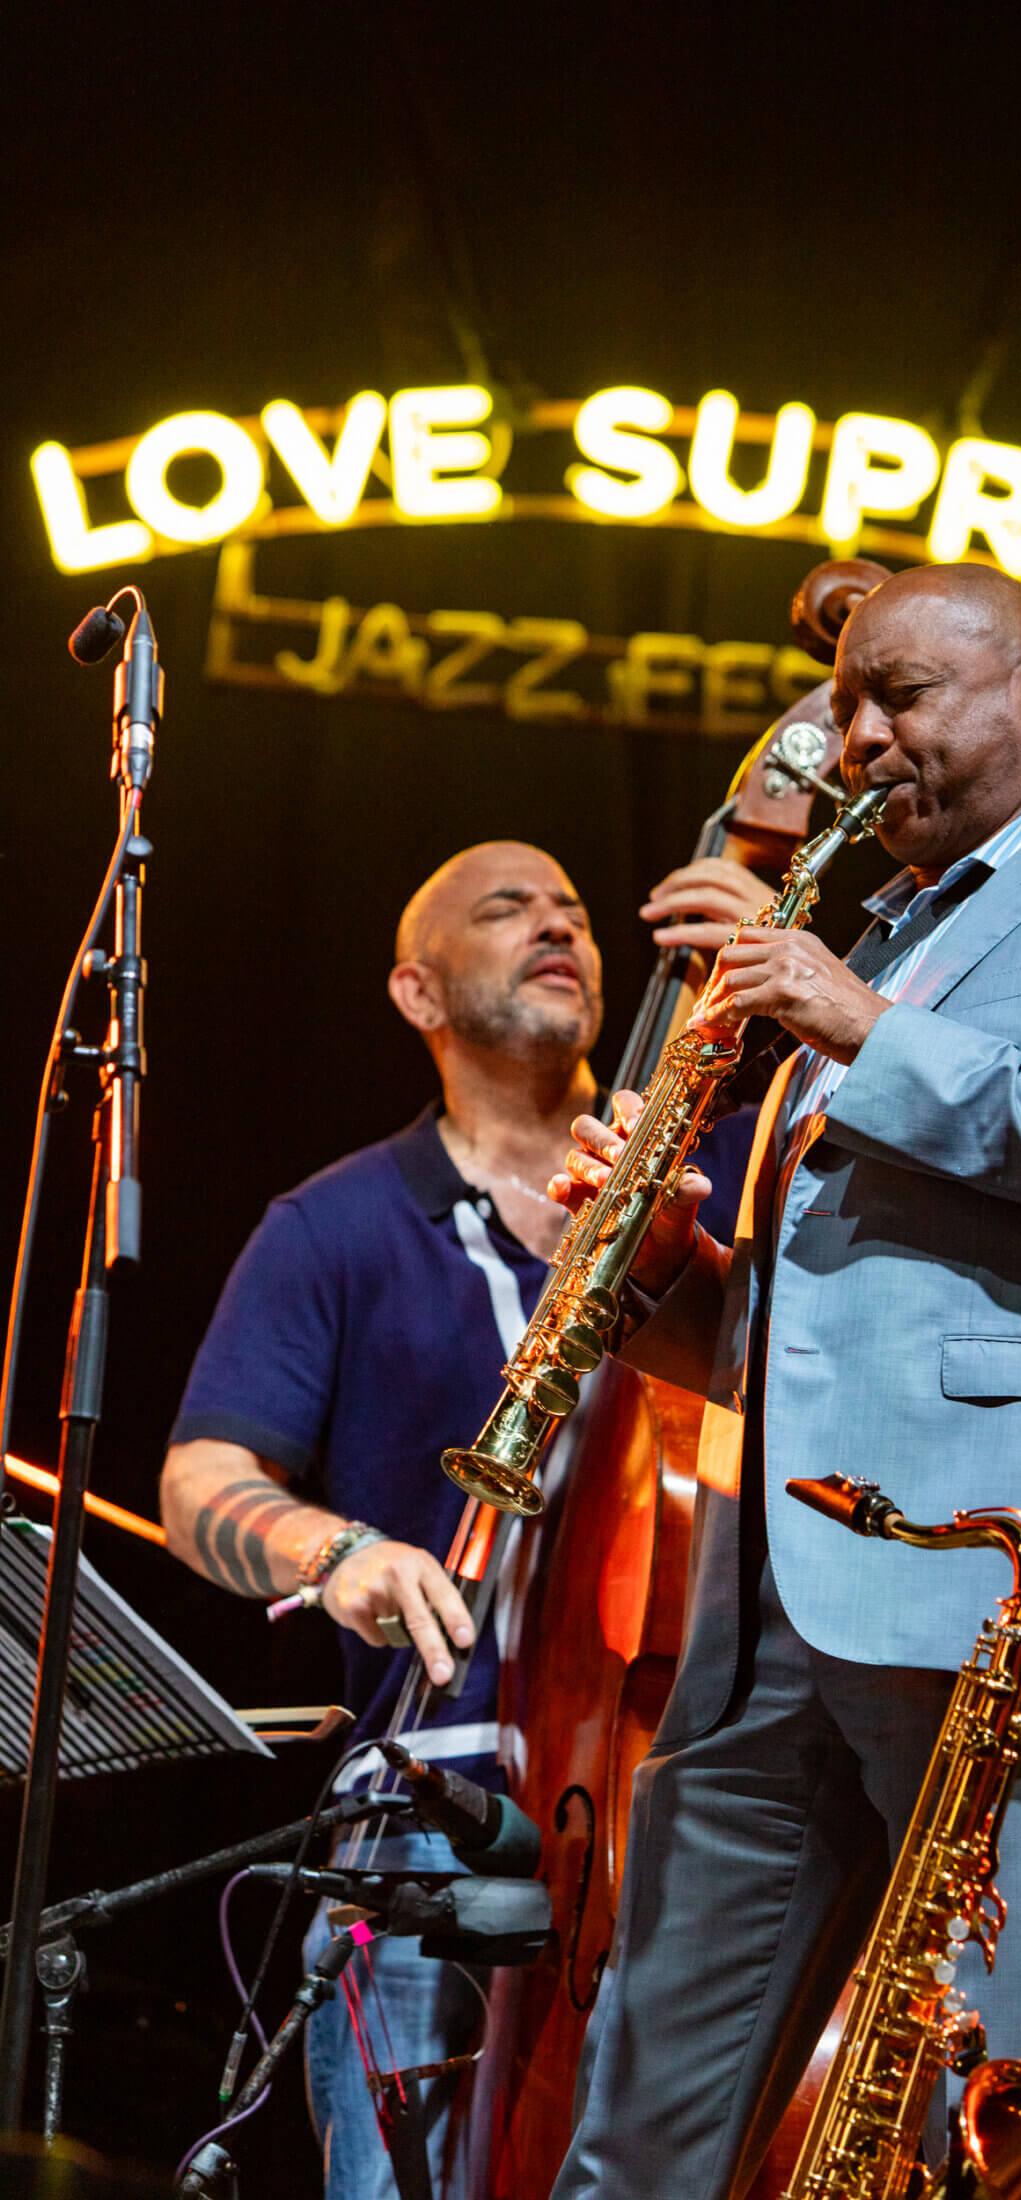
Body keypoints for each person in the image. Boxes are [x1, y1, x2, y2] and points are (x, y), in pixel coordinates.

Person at [547, 563, 1021, 2198]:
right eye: (849, 704)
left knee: (984, 2132)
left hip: (999, 1594)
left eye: (901, 697)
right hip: (762, 1624)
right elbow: (814, 1329)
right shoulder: (877, 931)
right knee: (637, 2140)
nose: (857, 736)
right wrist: (654, 1258)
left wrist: (865, 1028)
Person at [158, 838, 765, 2200]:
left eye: (571, 908)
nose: (558, 924)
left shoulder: (710, 1182)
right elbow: (201, 1475)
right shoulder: (335, 1226)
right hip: (432, 1806)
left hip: (687, 1799)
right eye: (507, 909)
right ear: (418, 994)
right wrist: (339, 1554)